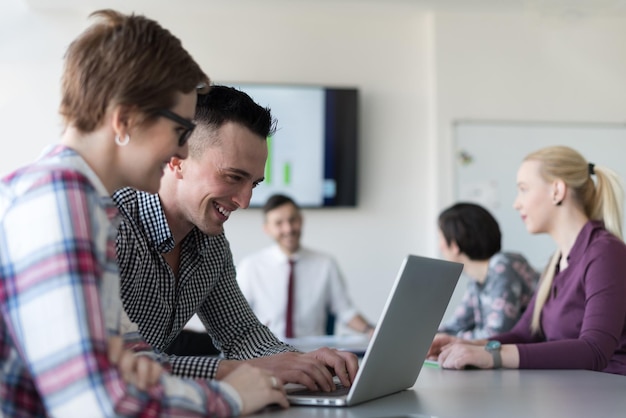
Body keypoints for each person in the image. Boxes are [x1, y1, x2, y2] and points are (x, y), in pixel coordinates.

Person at [0, 9, 292, 417]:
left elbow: (138, 364)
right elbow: (99, 403)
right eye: (179, 131)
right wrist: (232, 395)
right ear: (125, 119)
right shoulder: (60, 197)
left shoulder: (87, 202)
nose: (180, 152)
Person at [114, 85, 359, 392]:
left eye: (253, 184)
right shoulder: (109, 225)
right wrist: (238, 370)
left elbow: (241, 334)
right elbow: (114, 365)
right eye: (233, 177)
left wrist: (306, 362)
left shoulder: (211, 243)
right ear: (176, 159)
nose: (244, 202)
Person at [427, 145, 626, 375]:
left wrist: (491, 356)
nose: (516, 203)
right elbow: (525, 334)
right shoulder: (557, 261)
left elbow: (594, 350)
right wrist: (467, 345)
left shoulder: (606, 253)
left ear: (557, 190)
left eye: (524, 189)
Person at [237, 193, 375, 339]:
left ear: (301, 220)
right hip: (268, 354)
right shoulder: (251, 266)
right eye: (279, 223)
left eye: (292, 220)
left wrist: (370, 331)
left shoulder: (325, 264)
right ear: (267, 229)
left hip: (312, 353)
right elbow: (236, 316)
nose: (288, 229)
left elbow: (345, 311)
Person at [436, 202, 539, 339]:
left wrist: (449, 340)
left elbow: (496, 335)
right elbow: (456, 325)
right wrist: (426, 337)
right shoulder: (477, 280)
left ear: (454, 245)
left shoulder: (502, 266)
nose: (439, 246)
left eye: (441, 238)